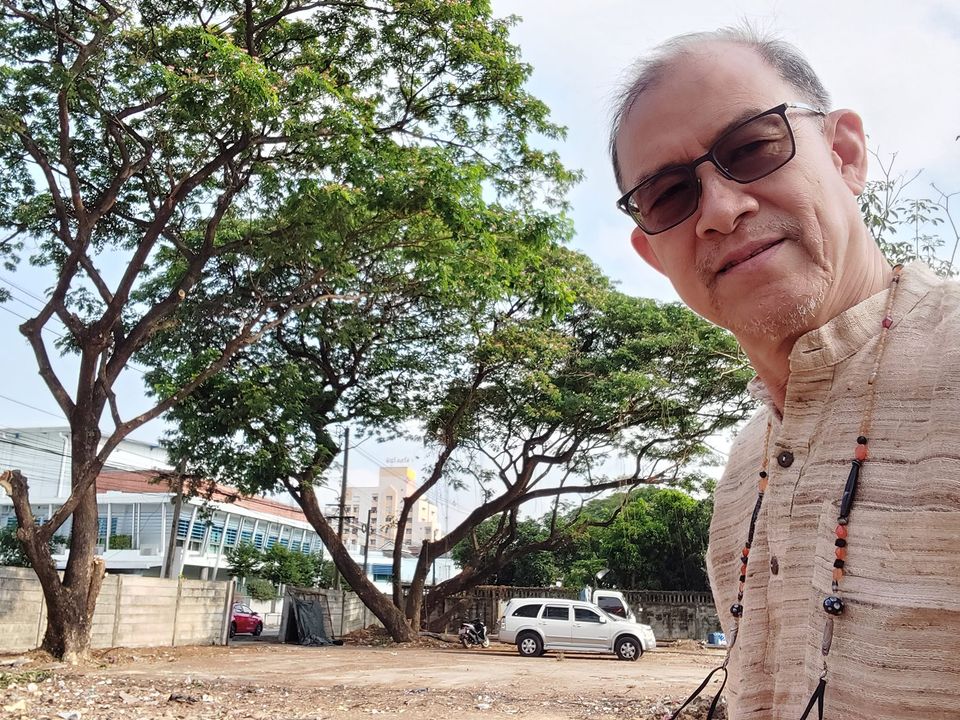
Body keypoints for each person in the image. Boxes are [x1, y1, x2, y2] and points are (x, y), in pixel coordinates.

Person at [609, 27, 960, 720]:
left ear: (844, 154)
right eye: (670, 194)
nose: (720, 210)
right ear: (653, 254)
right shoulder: (745, 469)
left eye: (752, 148)